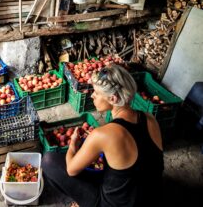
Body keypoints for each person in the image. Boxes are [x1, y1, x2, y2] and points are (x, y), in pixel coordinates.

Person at [41, 64, 164, 207]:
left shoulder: (104, 134)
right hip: (152, 198)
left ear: (112, 99)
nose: (92, 95)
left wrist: (73, 144)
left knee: (49, 161)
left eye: (96, 93)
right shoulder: (149, 118)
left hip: (114, 204)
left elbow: (71, 170)